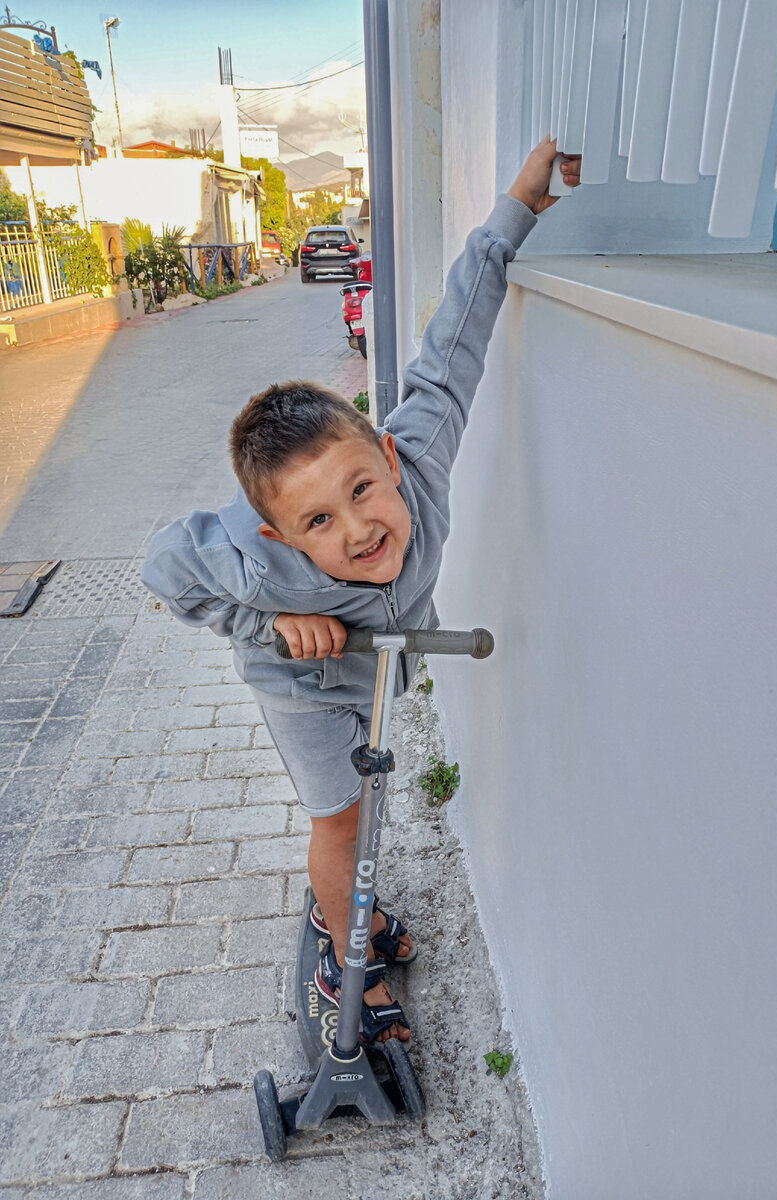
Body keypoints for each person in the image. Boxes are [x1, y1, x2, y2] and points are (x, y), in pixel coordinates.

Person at [142, 138, 581, 1045]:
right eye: (318, 525)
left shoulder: (418, 459)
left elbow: (453, 341)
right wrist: (270, 617)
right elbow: (163, 570)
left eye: (361, 490)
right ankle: (347, 956)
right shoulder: (257, 560)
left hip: (380, 672)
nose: (357, 531)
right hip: (300, 686)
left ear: (386, 454)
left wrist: (517, 210)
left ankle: (359, 913)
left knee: (374, 806)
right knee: (342, 824)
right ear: (280, 537)